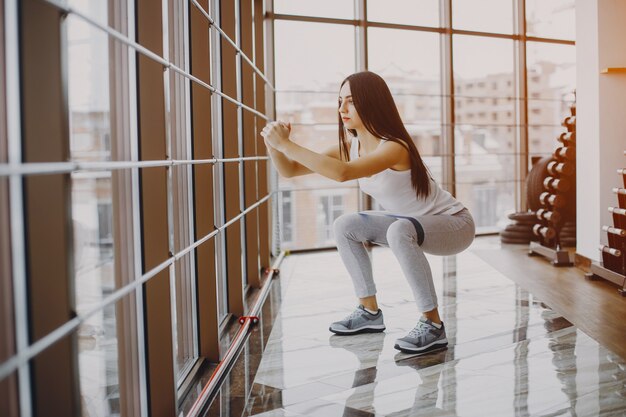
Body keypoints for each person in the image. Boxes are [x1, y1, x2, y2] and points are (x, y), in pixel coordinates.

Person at [260, 71, 475, 355]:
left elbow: (342, 174)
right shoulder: (352, 146)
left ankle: (433, 325)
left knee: (399, 230)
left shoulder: (394, 147)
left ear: (372, 103)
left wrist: (286, 144)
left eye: (350, 101)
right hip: (410, 223)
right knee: (346, 224)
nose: (342, 109)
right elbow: (290, 170)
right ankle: (369, 312)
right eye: (340, 101)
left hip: (454, 225)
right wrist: (274, 146)